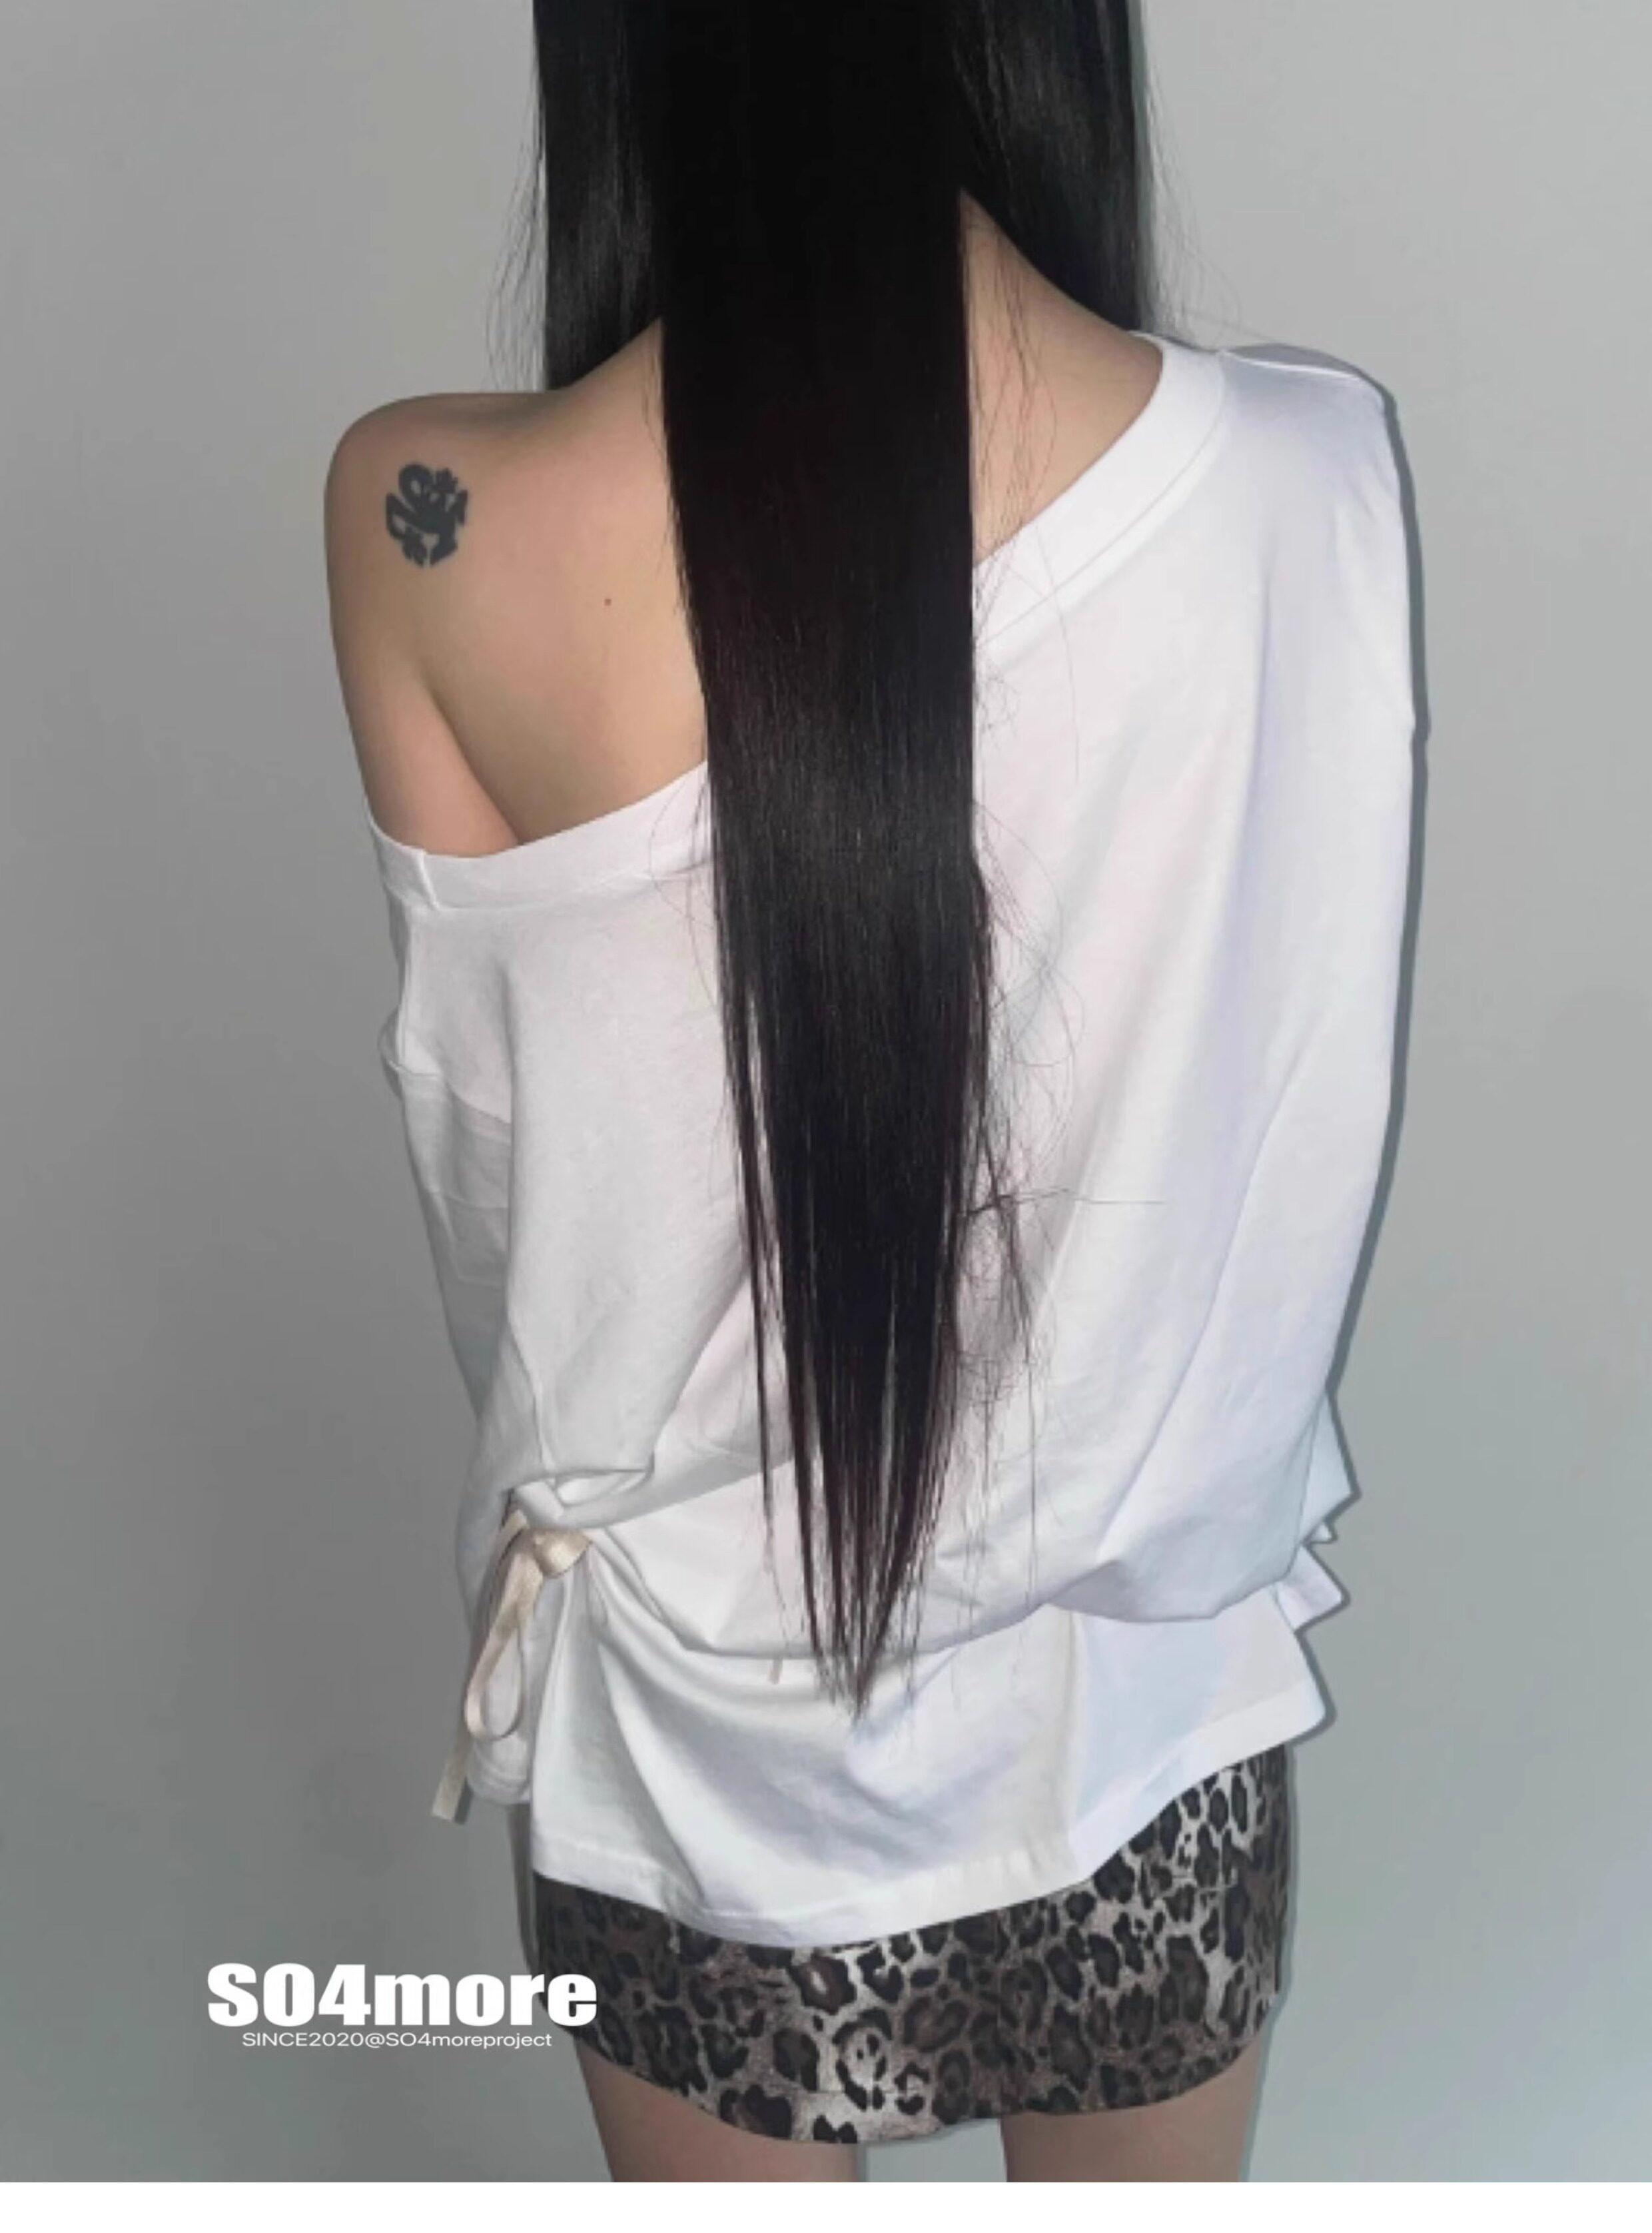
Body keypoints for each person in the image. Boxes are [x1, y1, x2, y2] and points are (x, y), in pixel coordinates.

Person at [323, 0, 1414, 2184]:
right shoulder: (1310, 476)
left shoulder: (428, 516)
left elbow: (503, 1210)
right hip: (1139, 1728)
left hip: (686, 1751)